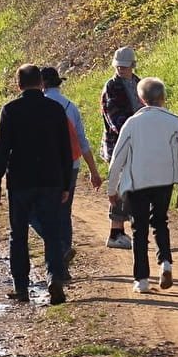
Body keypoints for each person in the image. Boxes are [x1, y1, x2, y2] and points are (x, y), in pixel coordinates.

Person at [0, 64, 73, 306]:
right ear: (41, 83)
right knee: (52, 231)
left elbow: (2, 149)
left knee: (19, 235)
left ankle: (21, 286)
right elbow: (65, 150)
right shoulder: (55, 109)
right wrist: (66, 183)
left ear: (18, 85)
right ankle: (54, 276)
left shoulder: (10, 110)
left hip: (20, 181)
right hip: (51, 180)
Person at [104, 77, 178, 294]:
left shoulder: (132, 123)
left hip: (137, 182)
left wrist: (112, 189)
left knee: (138, 228)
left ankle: (141, 280)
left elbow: (118, 158)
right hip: (165, 181)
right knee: (160, 221)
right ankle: (166, 264)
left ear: (141, 99)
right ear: (163, 98)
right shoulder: (174, 121)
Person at [34, 66, 102, 267]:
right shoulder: (70, 107)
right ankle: (63, 255)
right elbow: (82, 142)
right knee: (64, 210)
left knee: (36, 210)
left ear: (42, 84)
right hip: (71, 164)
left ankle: (60, 247)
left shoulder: (39, 105)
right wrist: (93, 171)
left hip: (44, 165)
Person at [99, 46, 140, 249]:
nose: (121, 70)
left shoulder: (139, 84)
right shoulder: (111, 87)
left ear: (132, 66)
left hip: (137, 144)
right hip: (118, 144)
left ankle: (133, 229)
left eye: (125, 67)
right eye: (118, 67)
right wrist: (136, 129)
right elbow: (114, 119)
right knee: (119, 187)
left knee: (134, 187)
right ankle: (115, 233)